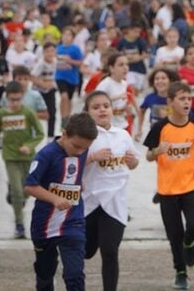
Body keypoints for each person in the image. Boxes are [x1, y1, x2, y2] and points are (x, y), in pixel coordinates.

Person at [143, 82, 194, 290]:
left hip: (190, 186)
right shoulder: (160, 127)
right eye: (182, 99)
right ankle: (180, 272)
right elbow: (148, 156)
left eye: (189, 99)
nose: (187, 102)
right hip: (167, 190)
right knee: (174, 235)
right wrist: (158, 151)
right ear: (170, 102)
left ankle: (189, 243)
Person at [24, 112, 98, 291]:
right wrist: (55, 198)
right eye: (76, 146)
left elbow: (75, 168)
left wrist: (79, 181)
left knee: (75, 274)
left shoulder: (82, 149)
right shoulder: (46, 155)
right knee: (45, 272)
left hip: (73, 221)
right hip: (44, 224)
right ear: (64, 134)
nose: (80, 151)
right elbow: (29, 186)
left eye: (84, 148)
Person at [82, 91, 139, 291]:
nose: (102, 110)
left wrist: (133, 162)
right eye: (96, 107)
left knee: (110, 251)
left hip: (115, 203)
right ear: (87, 112)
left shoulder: (122, 135)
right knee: (86, 252)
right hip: (89, 203)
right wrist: (91, 157)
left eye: (105, 105)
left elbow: (134, 161)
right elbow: (69, 165)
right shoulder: (84, 137)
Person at [0, 80, 44, 239]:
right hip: (10, 156)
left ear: (22, 97)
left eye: (18, 99)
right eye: (12, 99)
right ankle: (19, 224)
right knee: (17, 191)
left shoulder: (28, 113)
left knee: (26, 191)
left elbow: (40, 134)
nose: (15, 103)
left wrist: (29, 145)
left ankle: (14, 193)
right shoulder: (2, 113)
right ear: (7, 98)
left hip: (27, 157)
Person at [97, 53, 137, 133]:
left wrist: (127, 107)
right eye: (121, 65)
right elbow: (96, 102)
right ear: (112, 68)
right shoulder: (105, 84)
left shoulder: (124, 84)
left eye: (127, 64)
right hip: (107, 126)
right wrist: (117, 97)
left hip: (122, 124)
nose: (125, 68)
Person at [137, 68, 179, 142]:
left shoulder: (177, 98)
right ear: (153, 82)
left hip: (174, 135)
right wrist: (139, 129)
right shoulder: (150, 98)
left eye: (163, 78)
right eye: (157, 79)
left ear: (171, 81)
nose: (160, 81)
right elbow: (141, 110)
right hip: (155, 135)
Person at [55, 27, 84, 129]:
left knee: (69, 99)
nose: (66, 37)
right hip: (59, 76)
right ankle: (62, 118)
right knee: (64, 97)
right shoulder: (58, 48)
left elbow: (80, 62)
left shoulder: (75, 49)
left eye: (69, 35)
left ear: (72, 38)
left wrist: (70, 60)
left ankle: (67, 118)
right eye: (64, 34)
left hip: (72, 78)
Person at [32, 42, 58, 137]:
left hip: (50, 90)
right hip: (38, 91)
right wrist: (43, 84)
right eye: (47, 51)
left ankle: (50, 135)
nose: (50, 53)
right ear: (43, 53)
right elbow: (32, 77)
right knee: (37, 112)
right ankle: (34, 133)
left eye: (52, 51)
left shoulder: (55, 61)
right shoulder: (40, 64)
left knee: (52, 112)